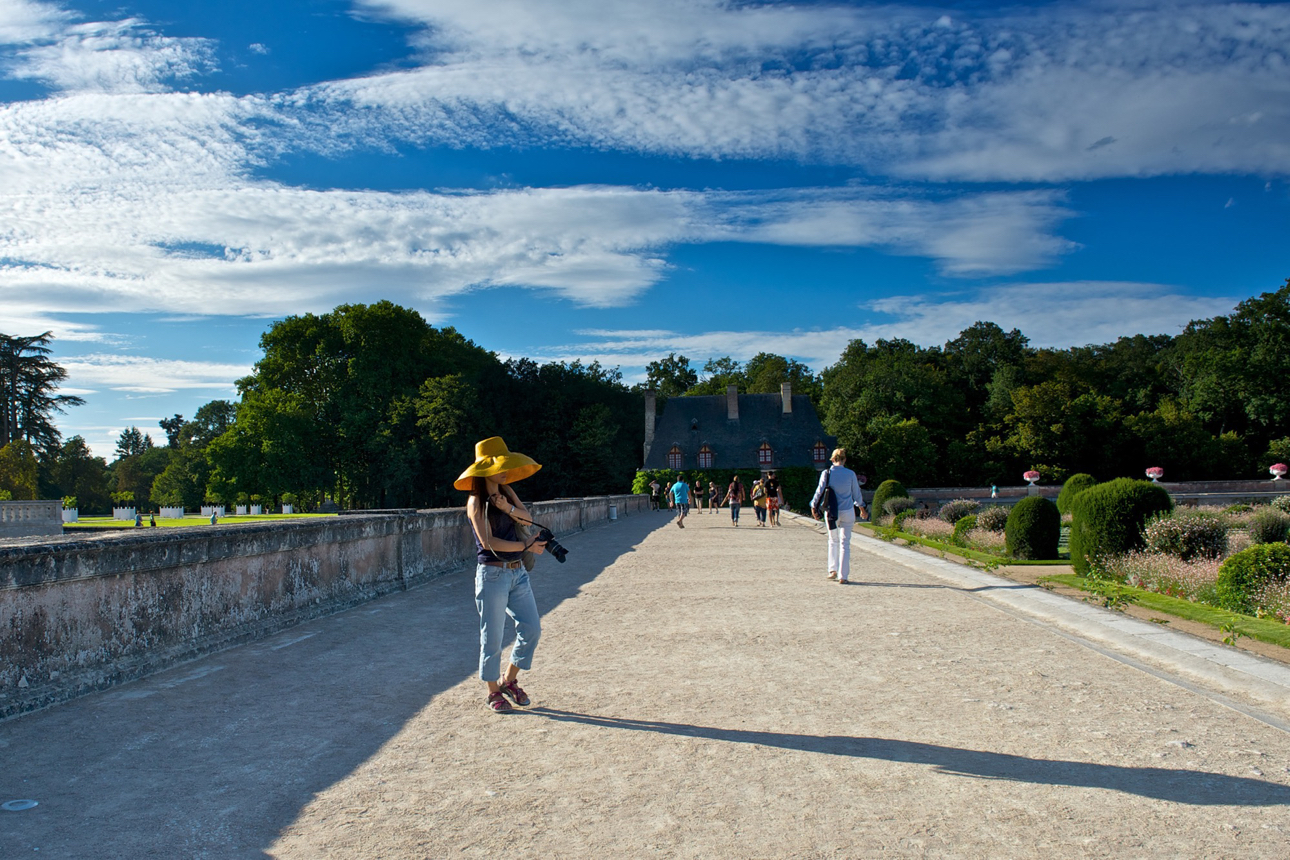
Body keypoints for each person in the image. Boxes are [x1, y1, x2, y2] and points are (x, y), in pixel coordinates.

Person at [457, 436, 550, 714]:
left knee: (532, 629)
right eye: (501, 464)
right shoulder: (474, 502)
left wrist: (506, 507)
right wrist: (526, 546)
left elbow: (526, 519)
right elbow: (488, 543)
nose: (506, 469)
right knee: (493, 638)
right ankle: (492, 692)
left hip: (517, 573)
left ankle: (508, 681)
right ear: (486, 469)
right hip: (492, 575)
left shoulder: (507, 492)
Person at [811, 448, 865, 584]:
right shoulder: (850, 474)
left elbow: (819, 491)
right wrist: (862, 508)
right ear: (844, 459)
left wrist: (813, 506)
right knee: (845, 543)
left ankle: (832, 570)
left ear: (832, 459)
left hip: (831, 512)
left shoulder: (827, 473)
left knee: (833, 541)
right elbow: (856, 493)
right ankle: (843, 576)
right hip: (847, 511)